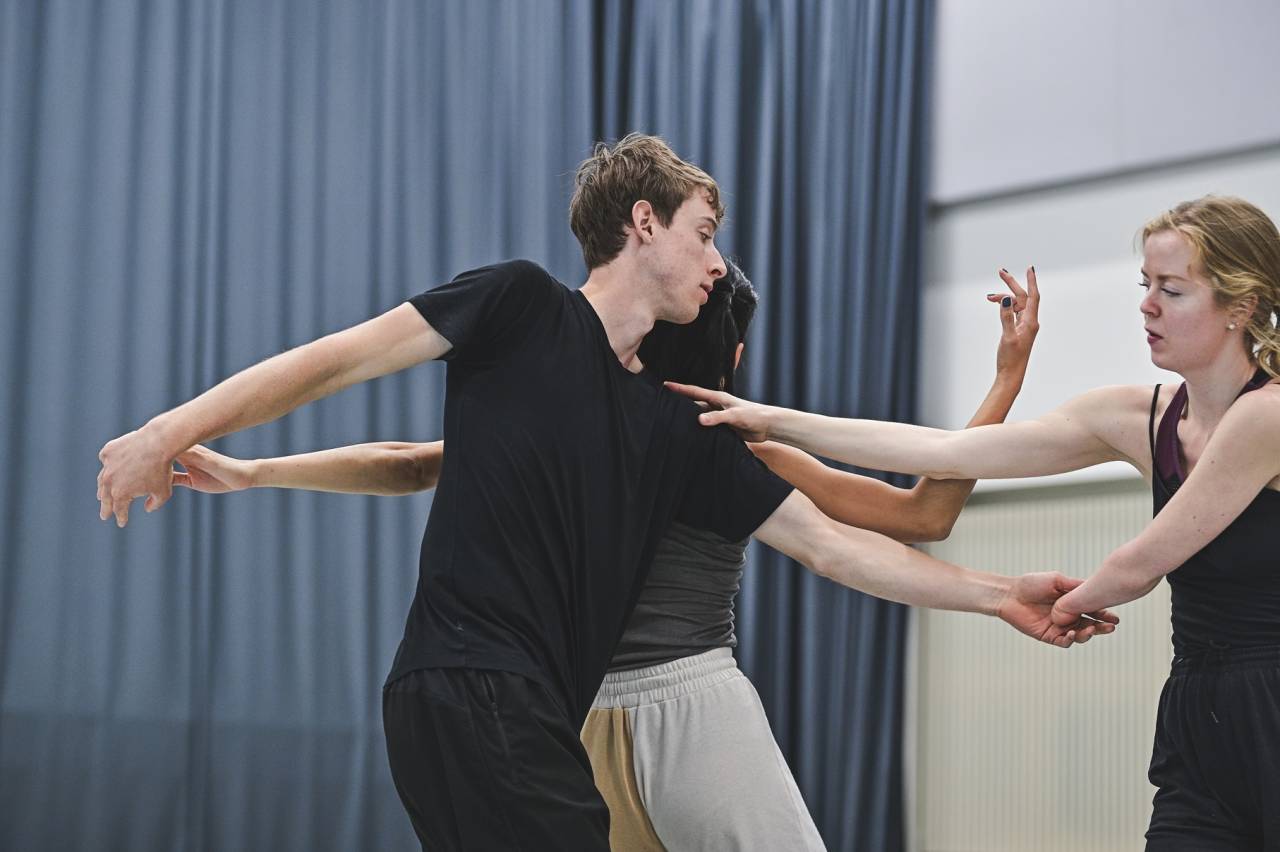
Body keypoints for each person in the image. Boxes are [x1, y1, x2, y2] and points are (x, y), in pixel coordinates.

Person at [96, 134, 1111, 850]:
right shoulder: (516, 307)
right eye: (704, 233)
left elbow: (847, 545)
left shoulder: (680, 432)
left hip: (512, 707)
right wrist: (173, 430)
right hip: (475, 688)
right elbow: (337, 364)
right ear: (643, 222)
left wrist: (993, 594)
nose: (715, 262)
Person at [669, 195, 1280, 851]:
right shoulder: (1137, 416)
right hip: (1198, 709)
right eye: (1145, 285)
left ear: (1240, 306)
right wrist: (772, 417)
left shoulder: (1265, 416)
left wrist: (1055, 602)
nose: (1146, 305)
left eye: (1172, 290)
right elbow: (943, 453)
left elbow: (1138, 564)